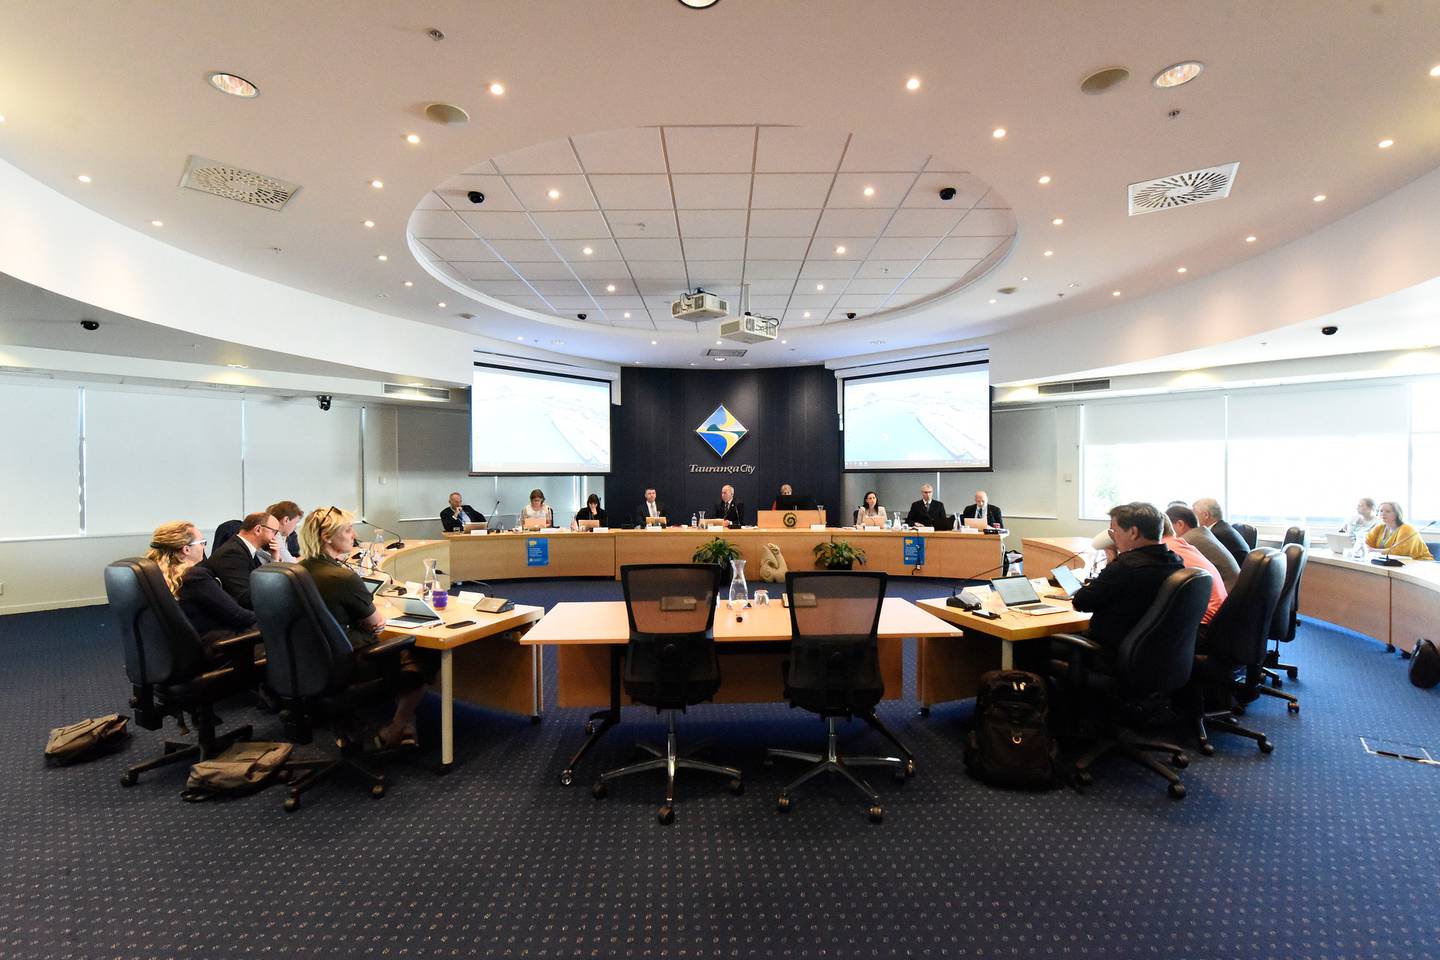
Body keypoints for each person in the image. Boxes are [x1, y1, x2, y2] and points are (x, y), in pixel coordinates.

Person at [299, 506, 435, 750]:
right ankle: (397, 728)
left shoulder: (296, 571)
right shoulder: (340, 577)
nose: (354, 535)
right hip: (345, 666)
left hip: (306, 663)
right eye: (348, 530)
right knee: (424, 654)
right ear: (327, 537)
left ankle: (392, 725)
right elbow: (377, 623)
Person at [1071, 502, 1185, 655]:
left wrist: (1114, 561)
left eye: (1115, 530)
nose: (1113, 536)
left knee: (1041, 645)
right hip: (1156, 655)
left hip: (1110, 653)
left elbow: (1081, 602)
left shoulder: (1126, 566)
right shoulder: (1176, 562)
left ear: (1133, 532)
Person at [146, 520, 259, 662]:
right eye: (202, 542)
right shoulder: (194, 577)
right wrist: (271, 618)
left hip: (177, 652)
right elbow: (238, 616)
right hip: (214, 649)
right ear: (186, 549)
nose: (204, 547)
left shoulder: (156, 576)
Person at [202, 511, 278, 610]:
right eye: (274, 532)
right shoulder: (233, 552)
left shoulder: (244, 549)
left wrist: (274, 559)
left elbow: (261, 583)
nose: (275, 538)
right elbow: (244, 598)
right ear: (258, 529)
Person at [1161, 515, 1227, 624]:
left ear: (1134, 533)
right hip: (1220, 616)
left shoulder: (1165, 550)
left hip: (1204, 623)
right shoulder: (1181, 544)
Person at [1166, 504, 1241, 591]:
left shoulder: (1187, 540)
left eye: (1169, 527)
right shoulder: (1203, 533)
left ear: (1180, 524)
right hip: (1234, 590)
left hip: (1227, 593)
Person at [1193, 497, 1250, 568]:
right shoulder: (1223, 528)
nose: (1193, 519)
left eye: (1194, 515)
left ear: (1205, 515)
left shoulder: (1216, 535)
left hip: (1235, 577)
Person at [1365, 501, 1433, 560]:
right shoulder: (1379, 527)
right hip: (1391, 562)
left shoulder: (1407, 529)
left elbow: (1398, 552)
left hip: (1418, 562)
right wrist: (1368, 549)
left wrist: (1373, 550)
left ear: (1396, 514)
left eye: (1388, 511)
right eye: (1381, 511)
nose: (1383, 513)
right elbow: (1366, 543)